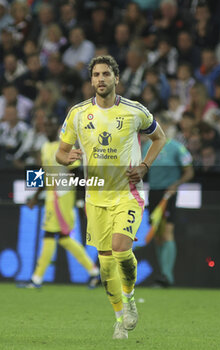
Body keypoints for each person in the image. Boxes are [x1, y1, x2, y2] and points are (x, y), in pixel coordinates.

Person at [56, 55, 166, 339]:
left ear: (117, 78)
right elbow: (61, 153)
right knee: (105, 262)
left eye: (106, 74)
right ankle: (120, 317)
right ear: (91, 80)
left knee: (121, 250)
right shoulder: (78, 113)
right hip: (95, 197)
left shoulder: (134, 111)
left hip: (127, 194)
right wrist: (68, 158)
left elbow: (160, 138)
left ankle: (129, 298)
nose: (100, 79)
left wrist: (144, 166)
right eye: (96, 75)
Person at [24, 117, 100, 289]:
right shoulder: (44, 148)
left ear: (58, 128)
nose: (48, 128)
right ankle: (94, 273)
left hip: (63, 196)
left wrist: (80, 196)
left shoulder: (66, 147)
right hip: (52, 196)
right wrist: (35, 196)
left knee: (50, 234)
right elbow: (43, 173)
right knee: (64, 238)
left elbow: (76, 171)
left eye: (51, 125)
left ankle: (36, 279)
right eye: (46, 125)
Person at [142, 115, 194, 286]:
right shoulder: (147, 146)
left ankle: (167, 276)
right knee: (157, 234)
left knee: (167, 231)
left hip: (168, 193)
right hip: (154, 193)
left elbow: (189, 171)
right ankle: (163, 276)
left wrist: (176, 184)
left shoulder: (177, 147)